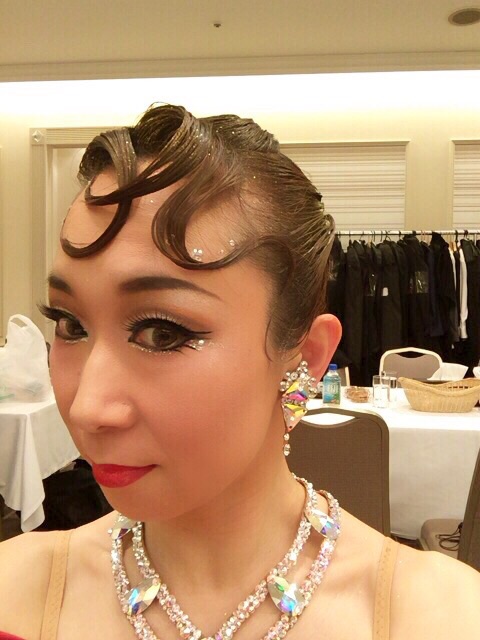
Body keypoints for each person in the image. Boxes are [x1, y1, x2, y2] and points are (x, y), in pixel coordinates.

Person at [0, 104, 479, 640]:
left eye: (162, 333)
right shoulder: (15, 593)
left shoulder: (445, 618)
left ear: (305, 356)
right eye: (70, 324)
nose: (88, 408)